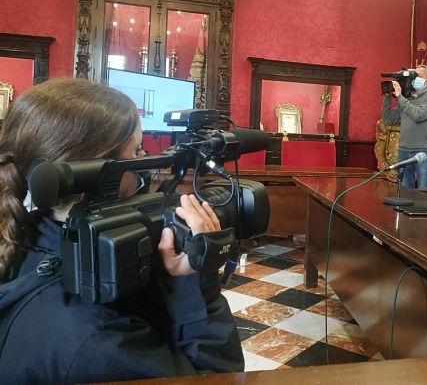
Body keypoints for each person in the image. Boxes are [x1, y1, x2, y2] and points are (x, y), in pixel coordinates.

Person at [0, 78, 244, 383]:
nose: (145, 161)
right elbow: (217, 378)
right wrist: (196, 285)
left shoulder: (19, 234)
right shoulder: (97, 342)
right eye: (137, 149)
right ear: (99, 174)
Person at [382, 65, 427, 189]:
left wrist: (400, 97)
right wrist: (387, 97)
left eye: (418, 76)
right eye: (413, 76)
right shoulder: (406, 99)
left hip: (424, 151)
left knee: (423, 191)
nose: (414, 79)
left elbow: (418, 115)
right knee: (404, 191)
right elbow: (388, 120)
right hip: (404, 150)